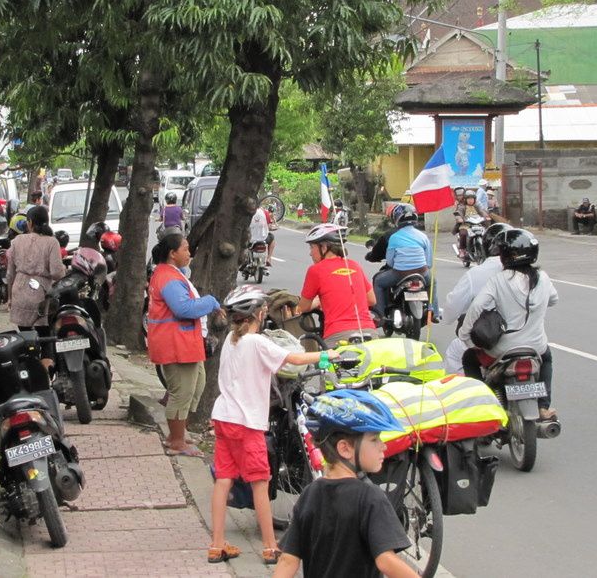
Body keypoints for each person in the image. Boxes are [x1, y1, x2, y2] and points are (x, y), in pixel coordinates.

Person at [208, 286, 339, 565]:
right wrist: (328, 357)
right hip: (246, 423)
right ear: (257, 313)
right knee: (259, 481)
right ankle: (270, 547)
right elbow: (293, 359)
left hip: (223, 418)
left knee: (223, 479)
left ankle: (216, 544)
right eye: (263, 308)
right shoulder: (255, 342)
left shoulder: (230, 340)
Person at [274, 390, 416, 578]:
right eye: (374, 439)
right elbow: (386, 561)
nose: (383, 445)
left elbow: (287, 561)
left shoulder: (310, 494)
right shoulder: (371, 497)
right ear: (345, 448)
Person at [458, 229, 559, 421]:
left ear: (503, 256)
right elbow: (554, 300)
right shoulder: (543, 277)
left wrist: (465, 335)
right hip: (536, 348)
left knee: (469, 358)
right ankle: (543, 407)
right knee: (547, 359)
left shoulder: (498, 280)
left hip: (502, 350)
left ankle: (484, 407)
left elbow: (477, 306)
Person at [147, 229, 223, 456]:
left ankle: (179, 433)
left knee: (196, 385)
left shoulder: (171, 273)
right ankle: (176, 441)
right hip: (175, 344)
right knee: (182, 391)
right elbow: (183, 308)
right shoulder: (168, 277)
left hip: (185, 343)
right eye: (185, 249)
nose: (189, 253)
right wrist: (210, 302)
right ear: (172, 253)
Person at [442, 222, 512, 372]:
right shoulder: (533, 276)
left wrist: (463, 331)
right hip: (530, 342)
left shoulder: (477, 274)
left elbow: (453, 310)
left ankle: (471, 393)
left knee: (457, 352)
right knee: (545, 356)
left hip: (491, 341)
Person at [297, 224, 378, 346]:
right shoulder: (354, 265)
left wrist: (318, 301)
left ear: (324, 247)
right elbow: (371, 300)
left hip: (338, 335)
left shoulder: (316, 270)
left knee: (323, 363)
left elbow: (302, 307)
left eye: (312, 247)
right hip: (369, 332)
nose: (310, 253)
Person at [5, 205, 66, 366]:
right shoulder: (52, 242)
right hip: (41, 294)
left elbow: (10, 274)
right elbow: (57, 273)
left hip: (20, 291)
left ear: (30, 223)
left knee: (25, 337)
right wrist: (65, 270)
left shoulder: (17, 241)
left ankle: (29, 368)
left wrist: (10, 298)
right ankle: (45, 373)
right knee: (45, 337)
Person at [373, 205, 438, 321]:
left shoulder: (394, 237)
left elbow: (390, 262)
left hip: (400, 274)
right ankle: (433, 311)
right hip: (422, 273)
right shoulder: (423, 236)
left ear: (396, 219)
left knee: (378, 282)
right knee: (433, 283)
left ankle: (380, 315)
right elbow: (429, 262)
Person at [453, 189, 490, 259]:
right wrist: (459, 218)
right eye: (469, 199)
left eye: (472, 199)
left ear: (474, 199)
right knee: (463, 233)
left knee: (486, 233)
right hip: (466, 225)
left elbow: (482, 211)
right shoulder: (462, 206)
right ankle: (462, 250)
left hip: (477, 224)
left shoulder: (477, 205)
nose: (470, 200)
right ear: (465, 199)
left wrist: (486, 216)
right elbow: (458, 213)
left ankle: (486, 248)